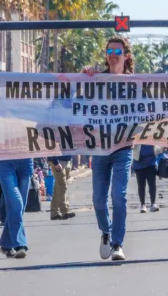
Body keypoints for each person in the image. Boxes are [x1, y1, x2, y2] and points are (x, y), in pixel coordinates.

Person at [82, 35, 135, 261]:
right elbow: (77, 100)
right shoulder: (96, 79)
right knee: (98, 200)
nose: (113, 55)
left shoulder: (136, 83)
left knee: (119, 196)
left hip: (123, 147)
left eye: (117, 52)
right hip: (99, 147)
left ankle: (117, 244)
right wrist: (83, 76)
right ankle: (106, 231)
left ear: (126, 56)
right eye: (109, 51)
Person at [0, 158, 34, 258]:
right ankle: (20, 244)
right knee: (16, 204)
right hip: (4, 160)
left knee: (20, 207)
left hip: (25, 160)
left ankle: (6, 244)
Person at [133, 144, 159, 213]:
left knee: (152, 184)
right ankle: (143, 205)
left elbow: (158, 145)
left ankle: (153, 203)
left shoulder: (153, 137)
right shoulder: (136, 137)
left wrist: (159, 149)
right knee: (141, 185)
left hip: (151, 163)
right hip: (138, 163)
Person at [49, 154, 75, 220]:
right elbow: (52, 149)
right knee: (62, 186)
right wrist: (56, 162)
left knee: (58, 187)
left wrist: (70, 160)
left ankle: (54, 213)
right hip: (58, 160)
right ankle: (64, 211)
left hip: (67, 160)